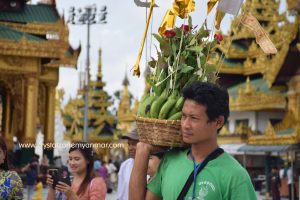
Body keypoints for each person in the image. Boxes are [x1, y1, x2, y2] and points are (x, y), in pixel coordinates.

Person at [129, 81, 257, 200]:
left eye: (194, 118)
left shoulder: (235, 175)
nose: (185, 124)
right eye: (184, 116)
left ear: (218, 122)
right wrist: (142, 150)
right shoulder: (169, 161)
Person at [117, 127, 139, 200]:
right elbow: (120, 194)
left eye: (134, 144)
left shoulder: (152, 166)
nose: (130, 148)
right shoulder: (125, 165)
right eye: (129, 144)